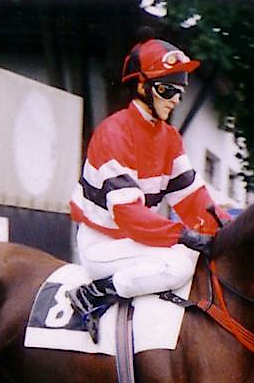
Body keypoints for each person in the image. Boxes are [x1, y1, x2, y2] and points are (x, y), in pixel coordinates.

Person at [67, 38, 229, 342]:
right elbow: (129, 216)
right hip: (103, 242)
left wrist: (230, 231)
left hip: (136, 242)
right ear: (142, 86)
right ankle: (93, 294)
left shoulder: (169, 138)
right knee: (178, 266)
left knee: (201, 260)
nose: (175, 100)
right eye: (167, 90)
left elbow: (194, 200)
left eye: (180, 92)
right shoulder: (113, 133)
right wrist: (182, 235)